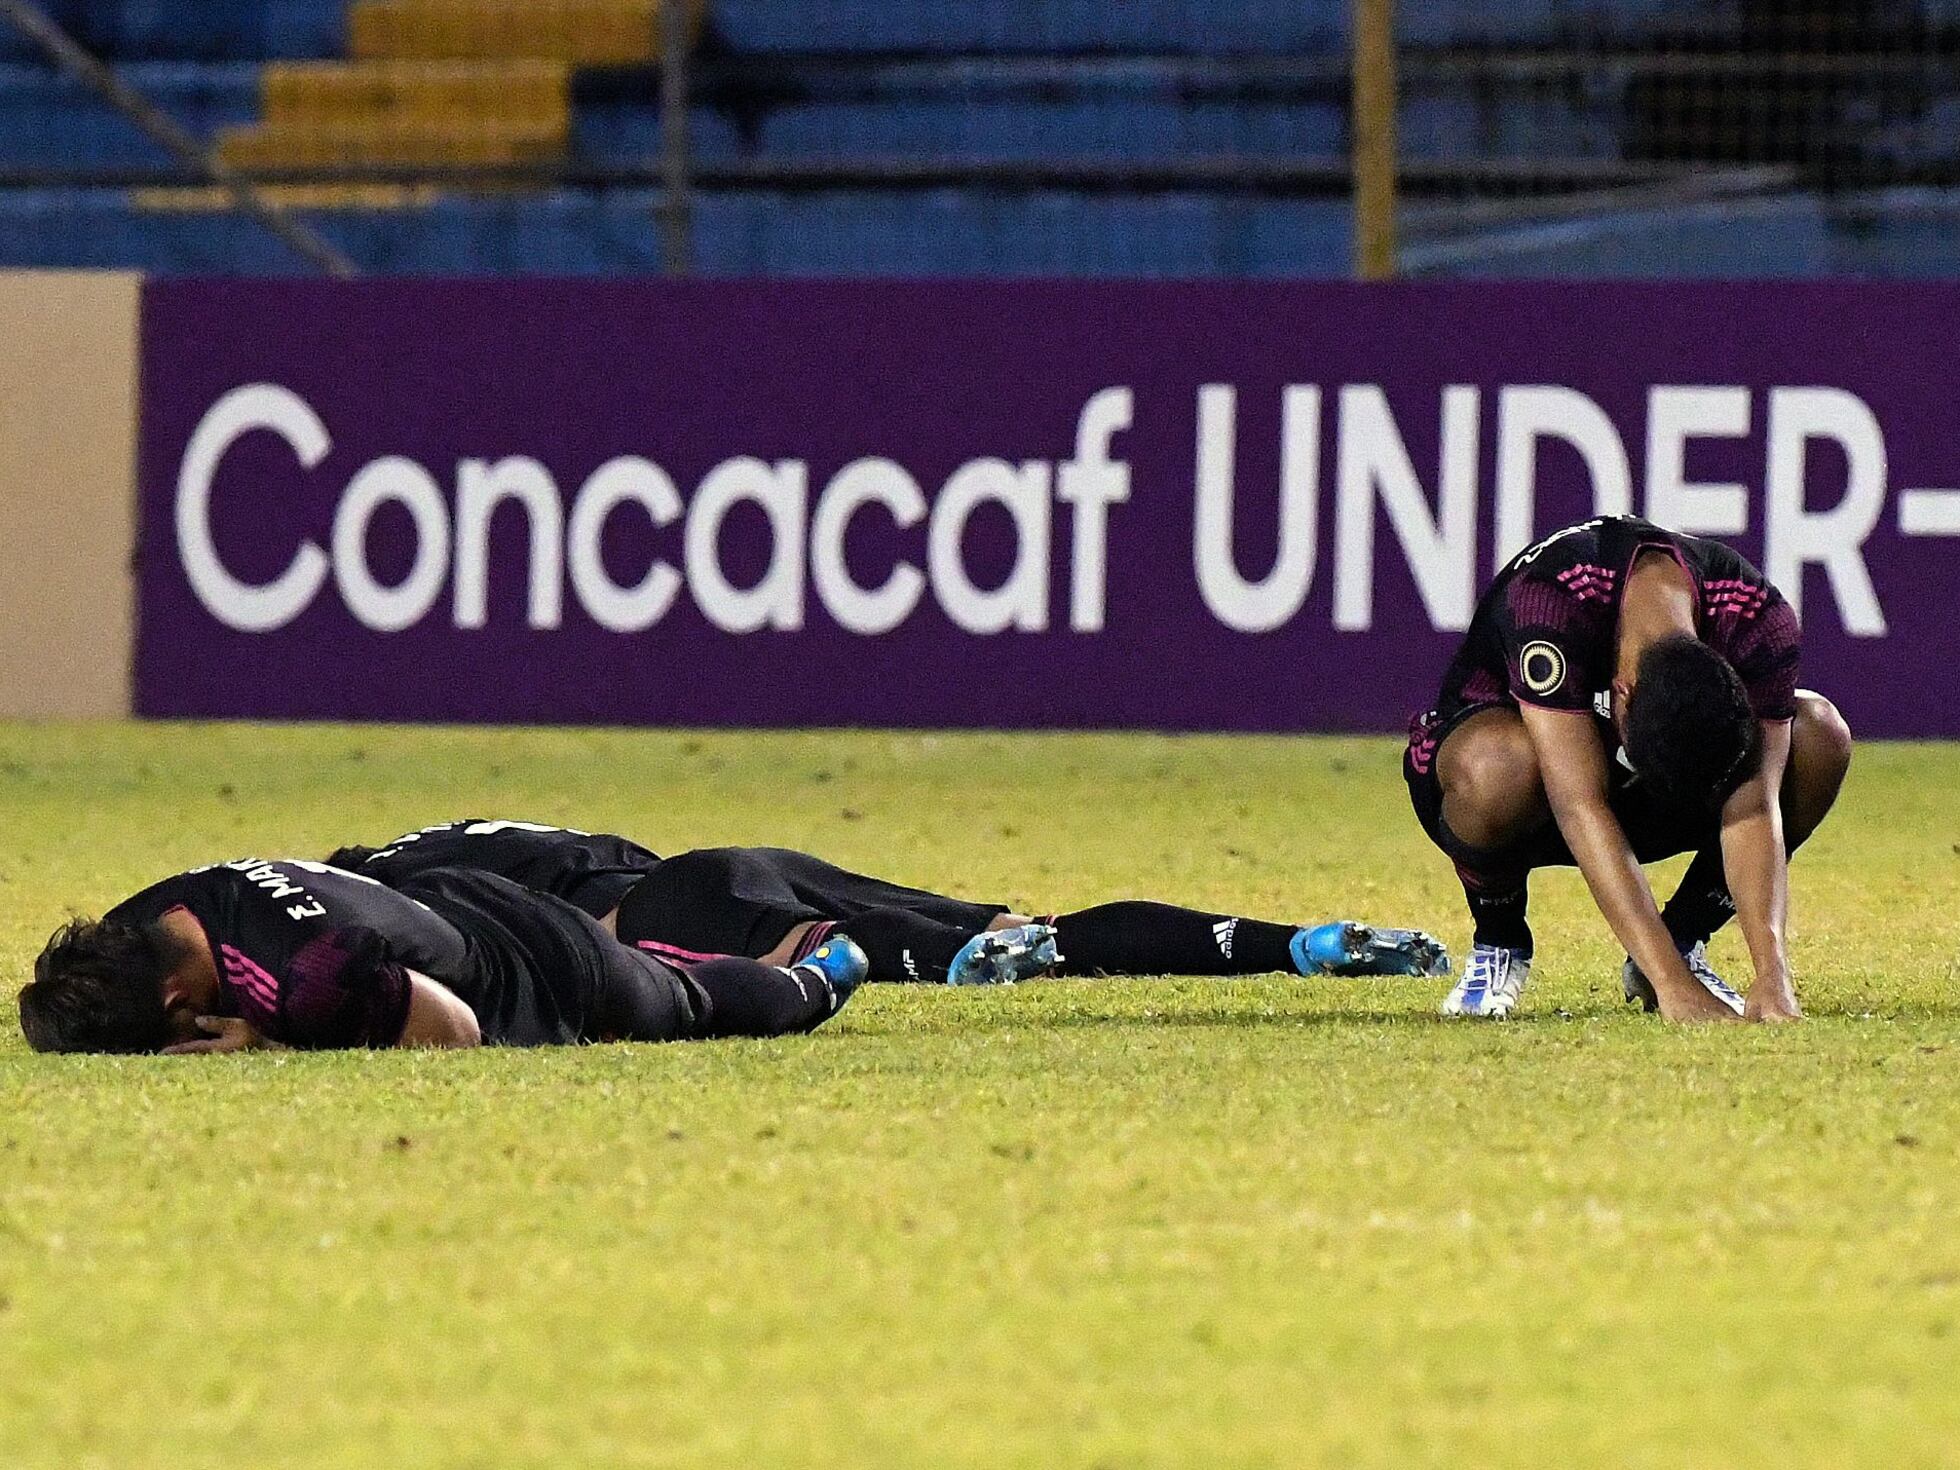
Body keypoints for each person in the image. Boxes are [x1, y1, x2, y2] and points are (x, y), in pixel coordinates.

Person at [1404, 515, 1851, 1022]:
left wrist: (1773, 974)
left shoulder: (1755, 618)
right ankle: (1499, 941)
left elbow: (1754, 802)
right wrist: (1673, 988)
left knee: (1818, 734)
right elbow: (1580, 807)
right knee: (1499, 767)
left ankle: (1684, 938)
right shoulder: (1551, 599)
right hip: (1518, 793)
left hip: (1636, 802)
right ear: (1622, 692)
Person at [324, 819, 1450, 989]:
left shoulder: (404, 885)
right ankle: (1291, 942)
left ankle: (1294, 947)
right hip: (740, 862)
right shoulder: (496, 828)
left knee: (987, 967)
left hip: (679, 911)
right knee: (1033, 935)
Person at [17, 855, 866, 1055]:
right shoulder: (148, 917)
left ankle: (816, 977)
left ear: (176, 1008)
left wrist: (271, 1047)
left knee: (685, 1006)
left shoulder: (305, 983)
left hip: (536, 961)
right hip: (440, 899)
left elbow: (455, 1032)